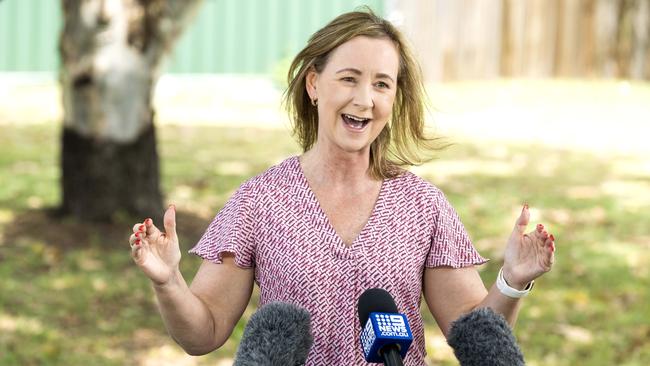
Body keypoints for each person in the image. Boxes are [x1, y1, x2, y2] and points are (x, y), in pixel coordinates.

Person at [127, 9, 556, 365]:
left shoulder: (422, 205)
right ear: (314, 84)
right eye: (349, 78)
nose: (365, 99)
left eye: (381, 84)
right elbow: (204, 332)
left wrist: (512, 281)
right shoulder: (258, 201)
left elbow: (472, 332)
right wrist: (169, 283)